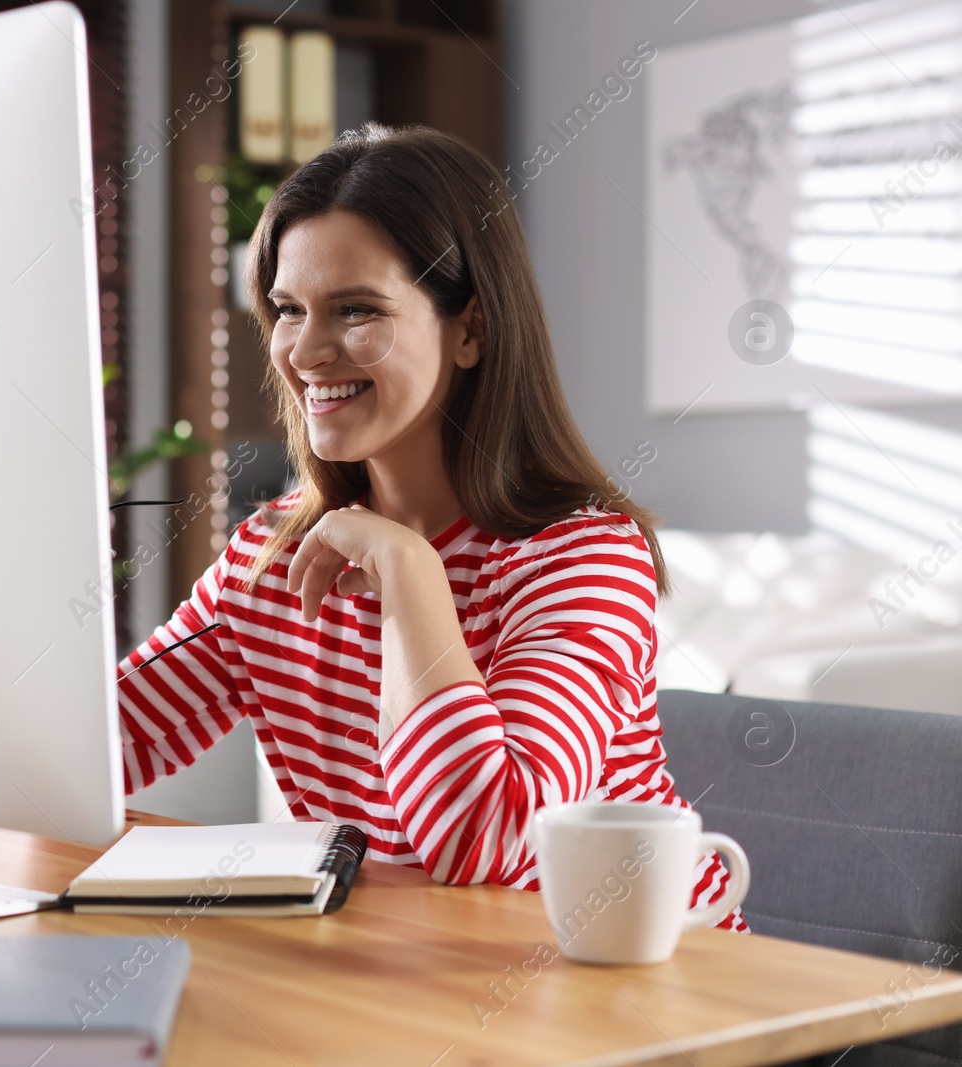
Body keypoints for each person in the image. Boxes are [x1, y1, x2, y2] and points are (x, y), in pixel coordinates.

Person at [115, 123, 744, 929]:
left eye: (355, 310)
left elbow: (484, 839)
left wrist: (409, 570)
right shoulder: (272, 557)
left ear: (472, 329)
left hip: (651, 996)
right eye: (286, 310)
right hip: (421, 981)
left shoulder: (583, 559)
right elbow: (96, 754)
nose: (305, 351)